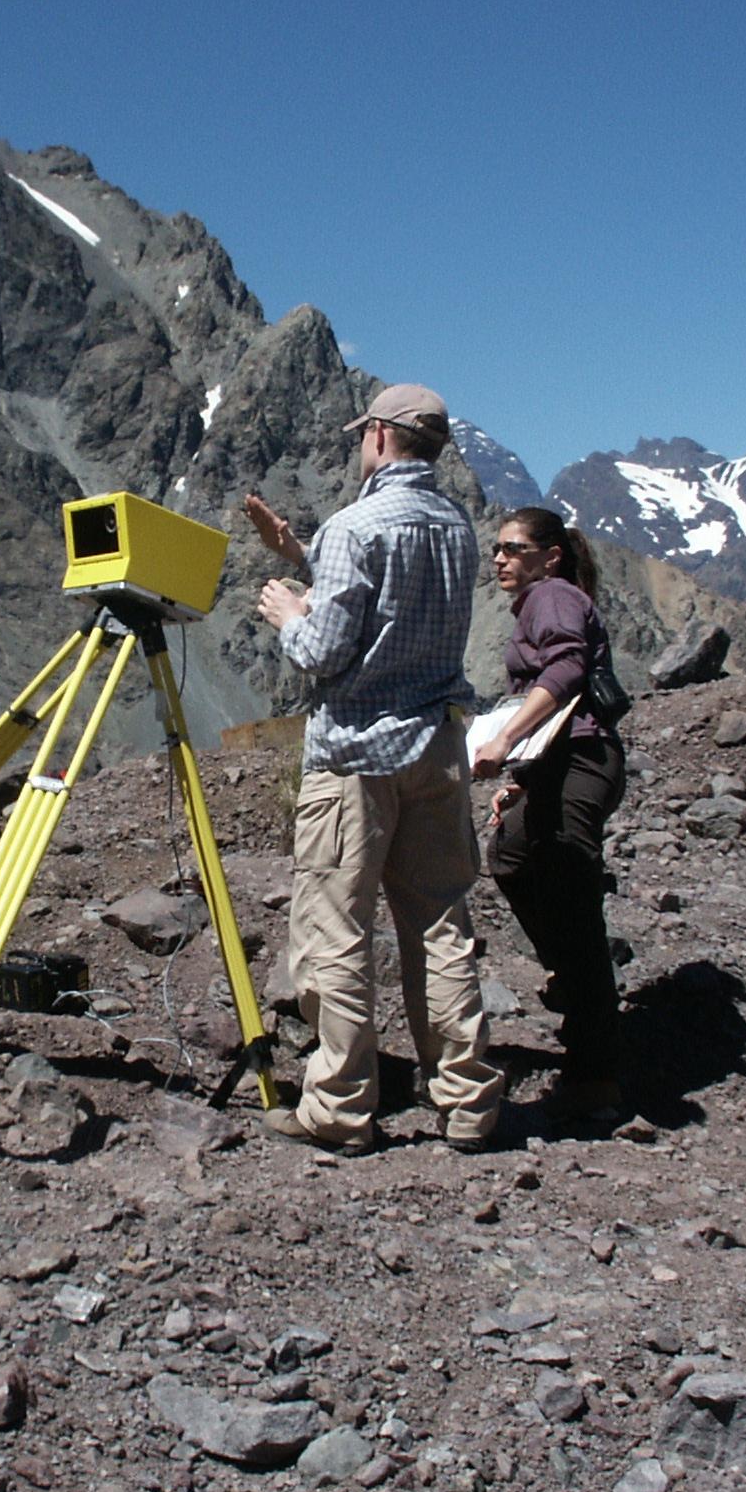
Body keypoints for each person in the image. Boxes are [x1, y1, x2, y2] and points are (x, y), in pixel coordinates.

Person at [244, 383, 503, 1152]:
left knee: (336, 928)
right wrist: (299, 547)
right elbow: (392, 590)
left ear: (383, 437)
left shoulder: (358, 525)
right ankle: (467, 1102)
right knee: (439, 924)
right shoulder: (457, 526)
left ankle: (340, 1107)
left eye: (365, 433)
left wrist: (293, 615)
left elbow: (327, 651)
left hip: (356, 755)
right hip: (436, 748)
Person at [468, 507, 628, 1117]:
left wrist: (505, 740)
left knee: (569, 894)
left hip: (581, 762)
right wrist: (523, 776)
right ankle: (574, 979)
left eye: (513, 549)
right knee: (510, 854)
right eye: (498, 550)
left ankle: (596, 1076)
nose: (501, 559)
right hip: (558, 764)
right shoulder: (546, 598)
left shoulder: (553, 596)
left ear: (550, 556)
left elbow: (566, 668)